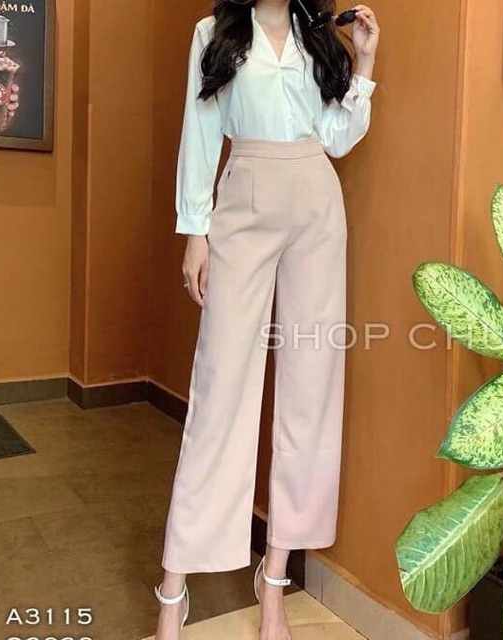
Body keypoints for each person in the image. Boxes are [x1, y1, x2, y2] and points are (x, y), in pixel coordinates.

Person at [154, 1, 379, 638]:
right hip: (244, 201)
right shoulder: (214, 32)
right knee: (220, 387)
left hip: (317, 206)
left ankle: (274, 580)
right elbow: (201, 129)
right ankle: (173, 588)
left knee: (311, 387)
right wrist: (194, 231)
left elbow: (336, 137)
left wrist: (363, 63)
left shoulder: (316, 37)